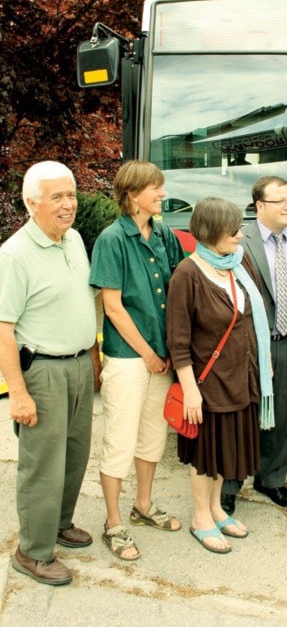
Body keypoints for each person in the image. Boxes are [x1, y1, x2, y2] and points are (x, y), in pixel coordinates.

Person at [0, 161, 101, 586]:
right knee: (42, 465)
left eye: (72, 195)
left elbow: (84, 304)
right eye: (57, 197)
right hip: (41, 372)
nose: (68, 205)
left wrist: (93, 360)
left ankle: (59, 523)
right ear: (30, 202)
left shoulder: (75, 239)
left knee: (75, 456)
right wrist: (19, 394)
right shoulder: (14, 255)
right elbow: (3, 329)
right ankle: (34, 552)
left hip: (78, 365)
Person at [166, 197, 273, 554]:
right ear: (212, 231)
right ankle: (200, 517)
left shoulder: (237, 266)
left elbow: (251, 321)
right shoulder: (187, 274)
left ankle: (215, 509)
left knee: (224, 452)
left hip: (240, 377)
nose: (241, 236)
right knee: (205, 454)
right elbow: (178, 342)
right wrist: (190, 389)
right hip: (206, 384)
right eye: (234, 230)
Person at [90, 160, 184, 560]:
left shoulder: (164, 233)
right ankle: (113, 522)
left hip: (161, 358)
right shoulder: (111, 240)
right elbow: (113, 307)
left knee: (152, 438)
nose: (162, 194)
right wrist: (147, 353)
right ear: (132, 195)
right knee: (119, 441)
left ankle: (143, 505)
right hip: (130, 359)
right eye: (154, 188)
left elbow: (180, 286)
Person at [221, 176, 287, 513]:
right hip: (248, 346)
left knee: (283, 416)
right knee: (242, 416)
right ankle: (229, 485)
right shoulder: (238, 242)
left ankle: (271, 479)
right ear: (259, 206)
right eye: (281, 201)